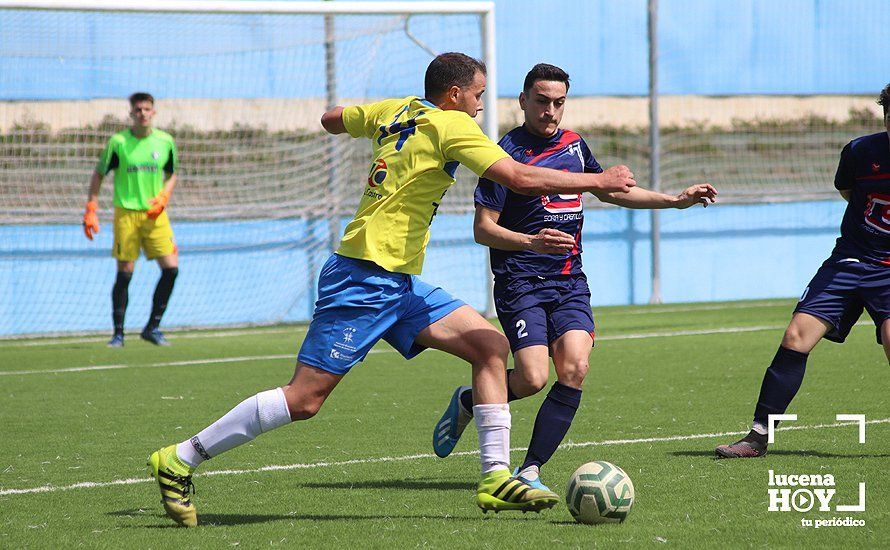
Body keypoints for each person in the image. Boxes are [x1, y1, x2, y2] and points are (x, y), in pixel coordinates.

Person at [147, 52, 639, 527]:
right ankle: (181, 457)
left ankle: (496, 477)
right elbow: (518, 176)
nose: (480, 105)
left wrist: (383, 123)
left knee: (489, 347)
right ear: (454, 94)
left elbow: (331, 118)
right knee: (304, 401)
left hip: (399, 280)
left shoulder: (397, 109)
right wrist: (598, 180)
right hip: (363, 277)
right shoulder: (453, 125)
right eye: (477, 94)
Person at [432, 63, 717, 490]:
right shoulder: (502, 154)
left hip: (569, 282)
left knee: (576, 367)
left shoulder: (574, 145)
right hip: (521, 281)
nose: (550, 111)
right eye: (542, 101)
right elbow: (482, 229)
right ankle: (471, 400)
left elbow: (609, 190)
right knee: (531, 378)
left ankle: (530, 469)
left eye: (559, 102)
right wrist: (531, 243)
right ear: (523, 101)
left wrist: (675, 200)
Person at [716, 83, 890, 458]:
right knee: (796, 336)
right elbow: (848, 191)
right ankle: (757, 437)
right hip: (851, 259)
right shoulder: (862, 151)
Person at [82, 92, 179, 348]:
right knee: (125, 273)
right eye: (138, 110)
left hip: (156, 215)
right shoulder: (119, 143)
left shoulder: (165, 141)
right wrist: (91, 206)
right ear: (131, 113)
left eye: (147, 109)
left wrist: (164, 197)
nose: (143, 113)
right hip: (126, 213)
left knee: (171, 268)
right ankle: (118, 334)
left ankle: (152, 327)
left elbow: (172, 174)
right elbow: (99, 174)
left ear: (153, 112)